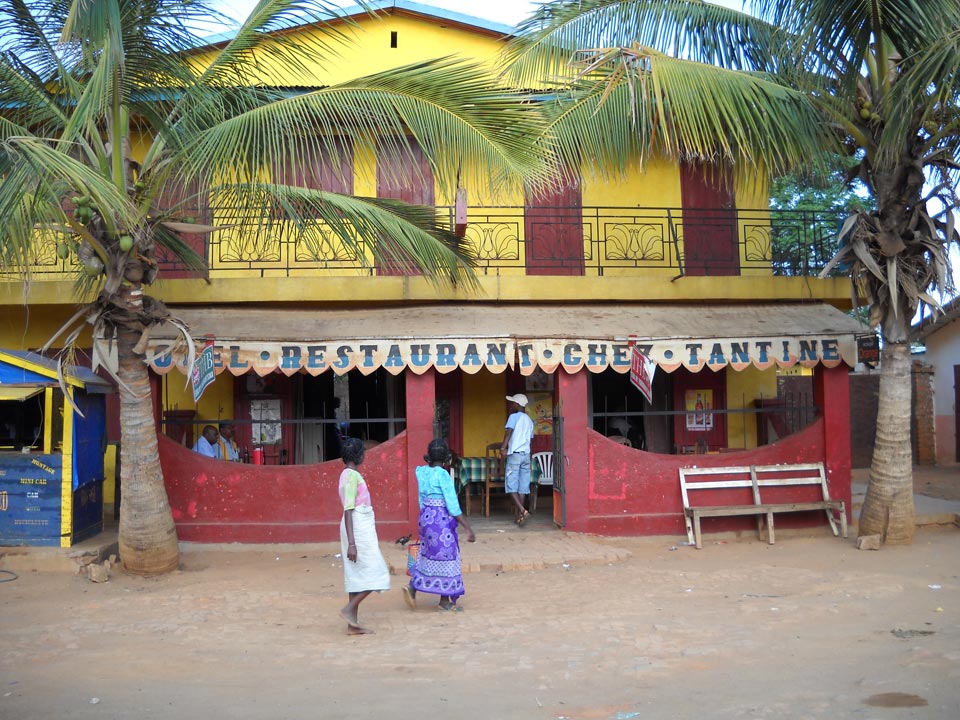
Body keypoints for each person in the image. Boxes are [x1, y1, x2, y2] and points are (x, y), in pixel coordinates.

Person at [403, 438, 476, 612]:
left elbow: (422, 499)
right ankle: (444, 600)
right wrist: (467, 527)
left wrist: (426, 516)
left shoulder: (422, 472)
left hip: (426, 519)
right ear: (447, 459)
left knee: (427, 555)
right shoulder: (443, 475)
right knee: (448, 557)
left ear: (428, 457)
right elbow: (452, 505)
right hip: (440, 522)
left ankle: (413, 587)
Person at [337, 437, 390, 635]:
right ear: (360, 456)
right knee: (379, 573)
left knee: (355, 575)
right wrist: (352, 543)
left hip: (354, 527)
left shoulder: (346, 474)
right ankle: (349, 609)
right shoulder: (352, 476)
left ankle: (353, 625)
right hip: (357, 528)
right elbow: (348, 509)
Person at [500, 393, 535, 525]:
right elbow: (531, 440)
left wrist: (503, 448)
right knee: (523, 487)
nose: (511, 405)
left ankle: (523, 510)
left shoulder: (513, 417)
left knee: (511, 485)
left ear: (517, 405)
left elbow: (508, 433)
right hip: (526, 454)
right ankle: (520, 516)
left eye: (513, 403)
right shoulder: (529, 420)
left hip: (514, 454)